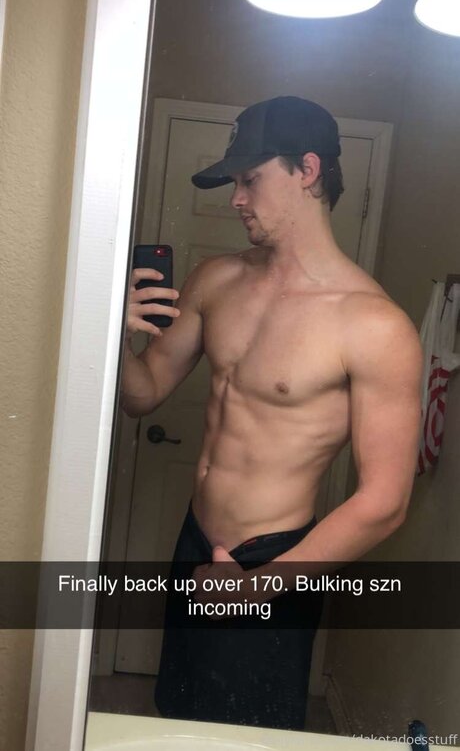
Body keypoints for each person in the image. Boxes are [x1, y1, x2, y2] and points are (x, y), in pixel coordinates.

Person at [121, 96, 423, 730]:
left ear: (307, 170)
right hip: (195, 539)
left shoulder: (373, 325)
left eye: (250, 179)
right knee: (175, 717)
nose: (236, 199)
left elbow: (386, 501)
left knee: (248, 736)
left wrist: (254, 585)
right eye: (233, 181)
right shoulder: (215, 279)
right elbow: (142, 394)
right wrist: (111, 334)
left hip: (275, 565)